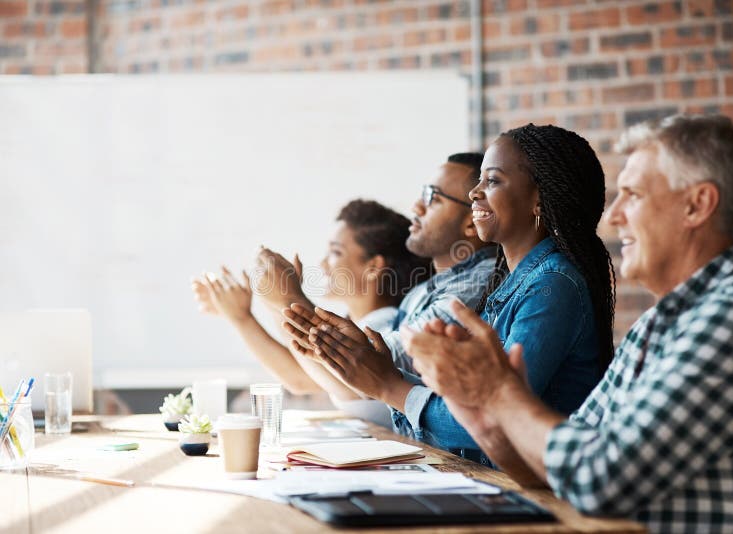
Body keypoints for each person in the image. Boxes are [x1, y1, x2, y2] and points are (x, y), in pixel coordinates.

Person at [401, 114, 733, 532]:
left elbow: (599, 477)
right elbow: (554, 462)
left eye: (633, 195)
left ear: (696, 205)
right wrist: (479, 411)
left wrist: (497, 392)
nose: (614, 216)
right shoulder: (659, 325)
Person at [289, 125, 616, 464]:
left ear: (538, 199)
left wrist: (389, 385)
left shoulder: (553, 286)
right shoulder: (513, 281)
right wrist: (380, 371)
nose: (475, 193)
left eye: (492, 180)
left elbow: (495, 420)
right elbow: (478, 403)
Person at [281, 153, 497, 432]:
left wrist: (286, 299)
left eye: (433, 197)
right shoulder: (420, 291)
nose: (417, 206)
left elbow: (382, 363)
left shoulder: (480, 280)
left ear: (471, 221)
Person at [191, 199, 431, 426]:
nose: (324, 263)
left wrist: (255, 312)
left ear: (373, 267)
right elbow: (304, 366)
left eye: (336, 252)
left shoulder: (384, 326)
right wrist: (274, 301)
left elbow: (300, 378)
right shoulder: (358, 321)